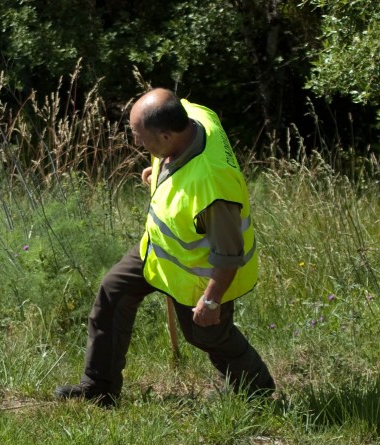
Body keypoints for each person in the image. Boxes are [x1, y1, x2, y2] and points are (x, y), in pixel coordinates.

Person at [54, 88, 275, 406]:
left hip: (199, 272)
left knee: (205, 334)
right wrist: (160, 172)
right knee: (113, 294)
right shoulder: (193, 115)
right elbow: (173, 118)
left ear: (167, 135)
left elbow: (229, 254)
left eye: (139, 136)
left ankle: (257, 389)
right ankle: (99, 387)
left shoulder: (212, 186)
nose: (137, 143)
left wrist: (211, 302)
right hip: (157, 250)